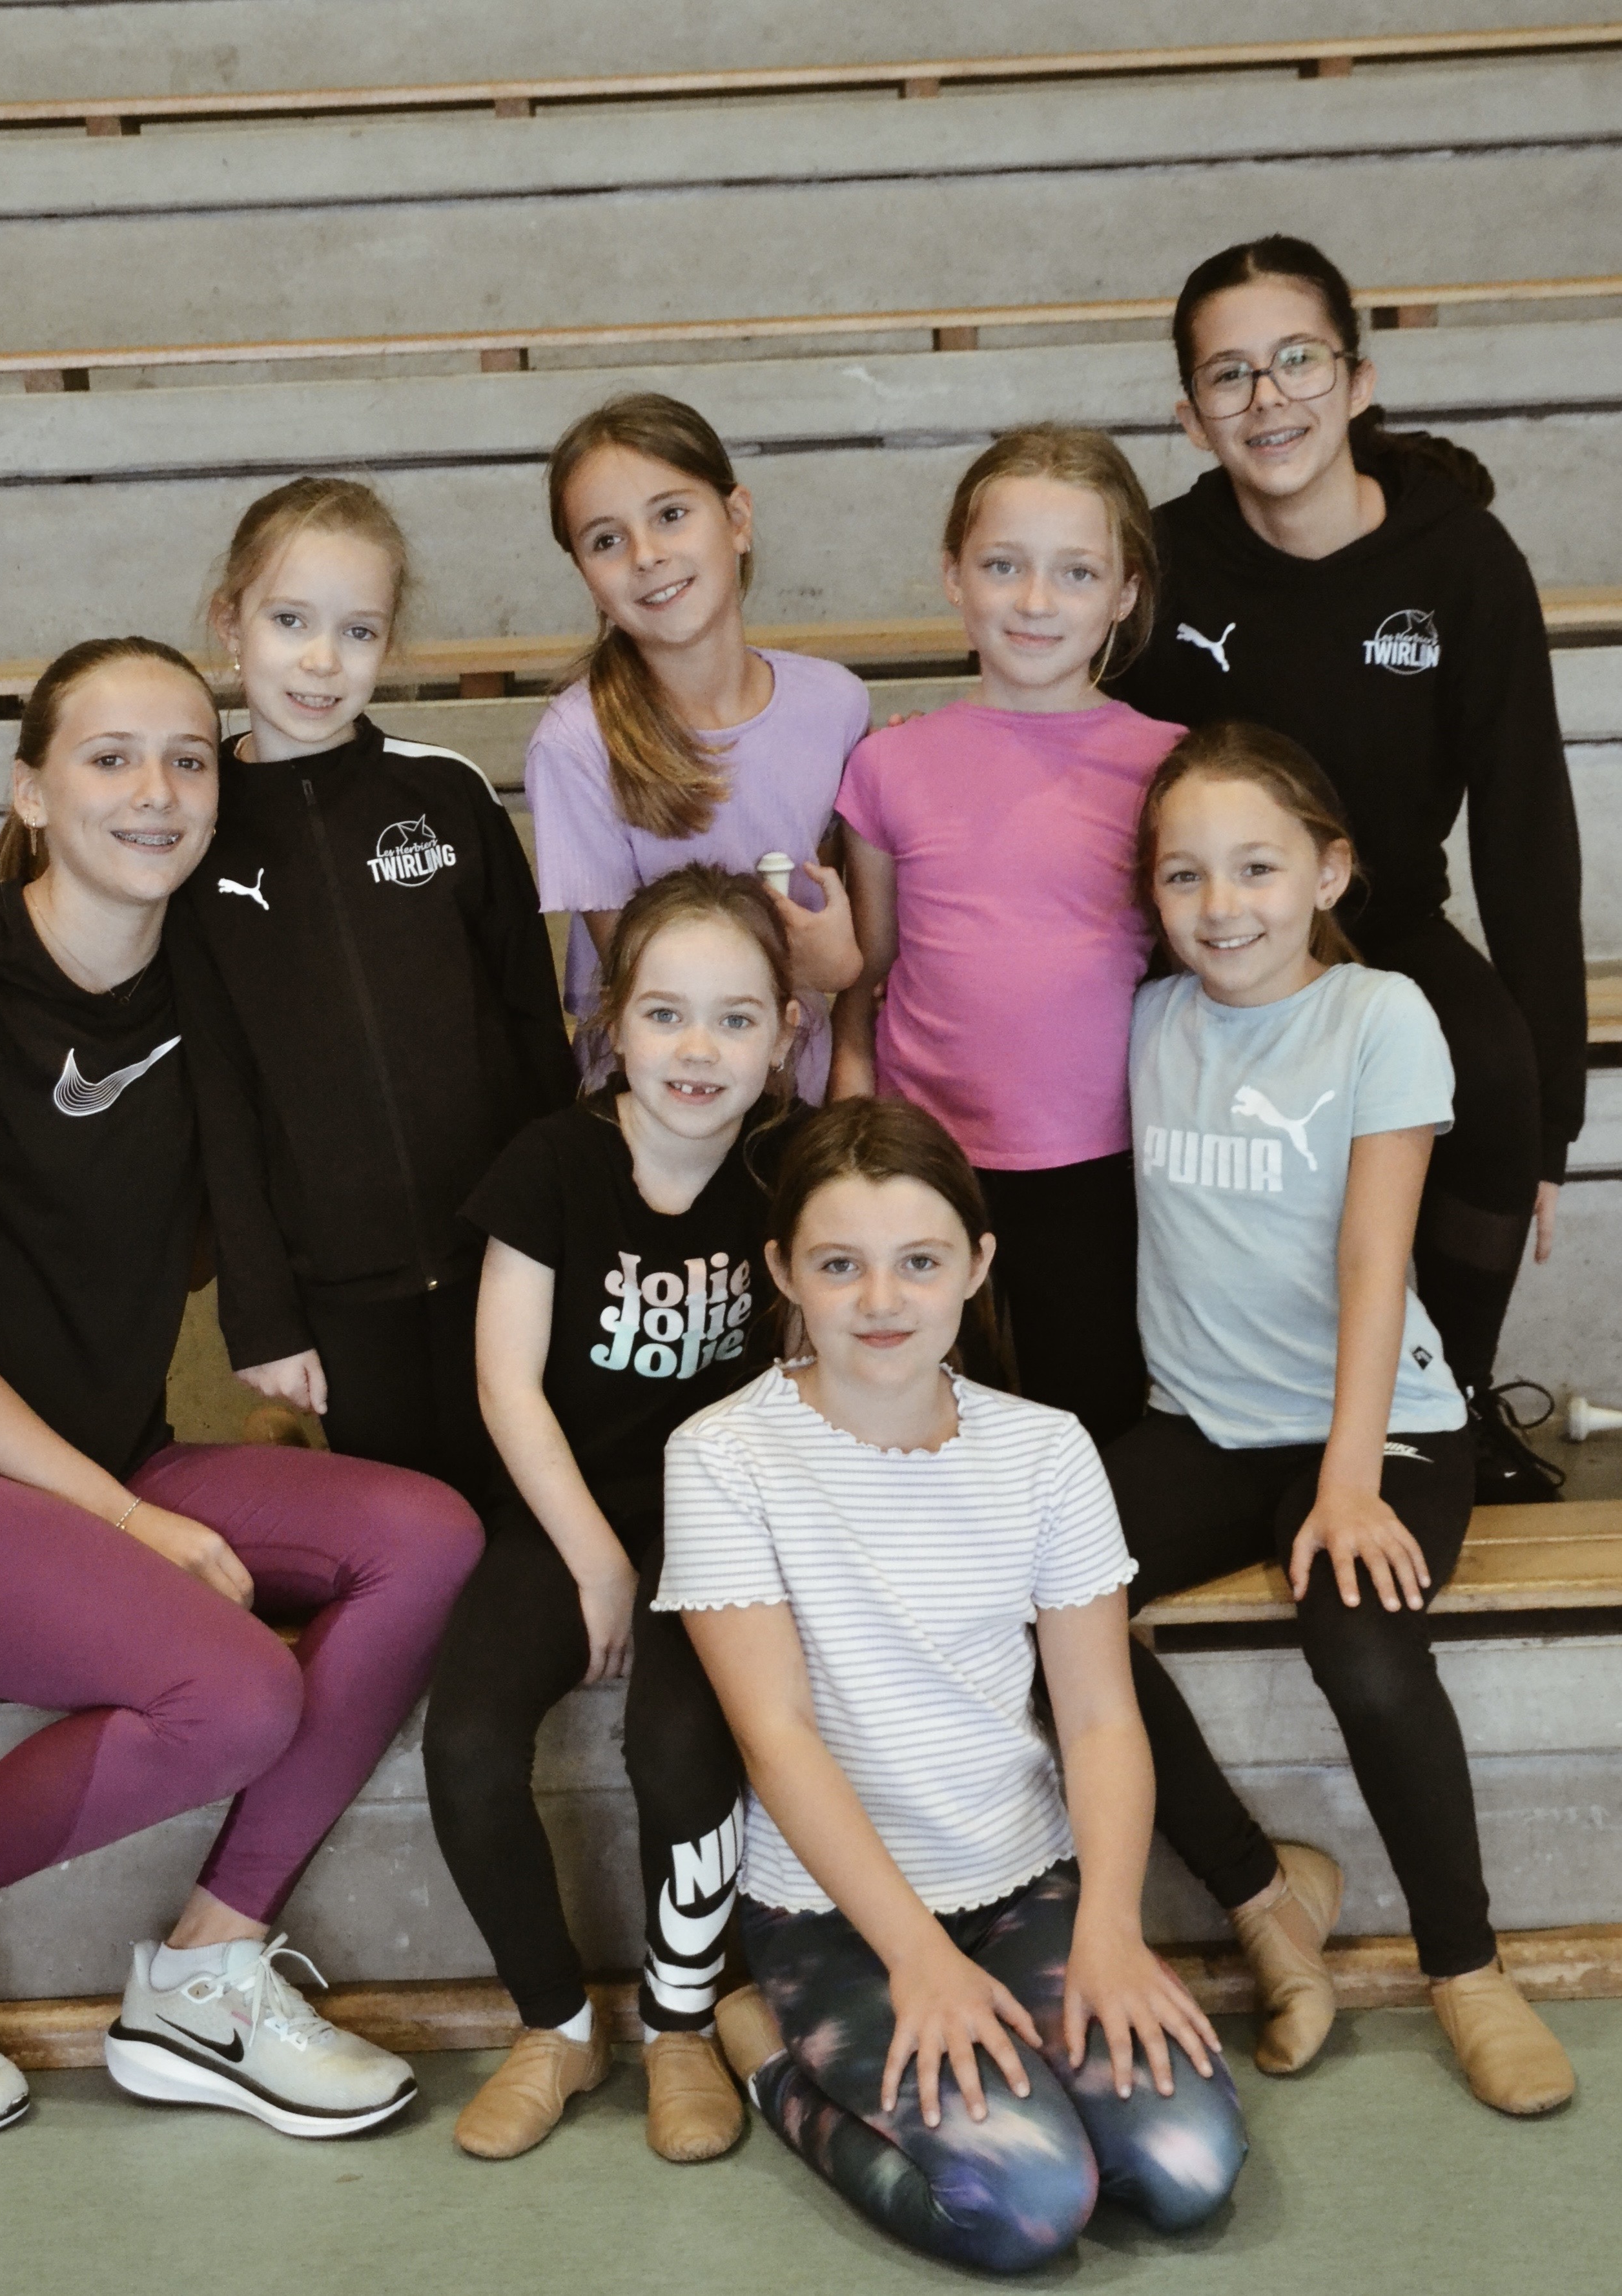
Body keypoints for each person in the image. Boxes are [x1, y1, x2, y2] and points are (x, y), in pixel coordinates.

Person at [0, 639, 484, 2142]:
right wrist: (129, 1521)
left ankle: (207, 1972)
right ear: (31, 790)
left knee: (428, 1531)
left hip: (112, 1451)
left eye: (187, 756)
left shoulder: (220, 984)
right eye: (109, 757)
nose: (156, 789)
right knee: (234, 1690)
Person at [657, 1096, 1244, 2273]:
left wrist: (1111, 1927)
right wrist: (919, 1957)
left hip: (1024, 1879)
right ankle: (766, 2053)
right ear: (783, 1271)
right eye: (840, 1264)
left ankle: (1027, 2038)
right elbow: (777, 1737)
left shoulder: (1045, 1447)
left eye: (919, 1262)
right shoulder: (722, 1454)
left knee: (1185, 2171)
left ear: (975, 1267)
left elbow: (1099, 1715)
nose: (881, 1300)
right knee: (1026, 2205)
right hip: (835, 1914)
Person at [1105, 721, 1575, 2118]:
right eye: (1183, 874)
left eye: (1256, 867)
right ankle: (1263, 1895)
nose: (1220, 904)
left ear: (1328, 872)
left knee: (1361, 1650)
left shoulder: (1379, 1016)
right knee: (1025, 1601)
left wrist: (1351, 1477)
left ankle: (1465, 1967)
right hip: (1203, 1425)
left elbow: (1375, 1260)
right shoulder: (1148, 1021)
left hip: (1386, 1425)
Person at [1111, 234, 1584, 1502]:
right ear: (1189, 412)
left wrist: (1554, 1112)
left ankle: (1450, 1404)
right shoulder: (1162, 563)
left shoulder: (1460, 560)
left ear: (1357, 380)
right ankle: (1148, 1399)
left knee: (1494, 1073)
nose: (1266, 398)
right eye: (1228, 374)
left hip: (1384, 917)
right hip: (1211, 928)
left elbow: (1526, 825)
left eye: (1297, 360)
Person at [423, 865, 802, 2164]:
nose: (698, 1051)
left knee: (680, 1744)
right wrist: (593, 1560)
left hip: (719, 1521)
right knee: (468, 1742)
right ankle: (552, 2024)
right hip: (562, 1505)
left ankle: (680, 2024)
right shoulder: (551, 1164)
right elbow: (505, 1383)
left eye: (735, 1019)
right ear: (610, 1023)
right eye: (665, 1014)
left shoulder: (792, 1167)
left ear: (784, 1036)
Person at [168, 475, 575, 1504]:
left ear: (389, 643)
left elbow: (534, 1030)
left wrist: (562, 1225)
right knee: (412, 1528)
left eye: (357, 631)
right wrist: (263, 1313)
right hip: (337, 1286)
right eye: (290, 621)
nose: (322, 660)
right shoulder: (196, 835)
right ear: (230, 621)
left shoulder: (445, 793)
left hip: (498, 1258)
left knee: (520, 1506)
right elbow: (219, 1099)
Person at [829, 427, 1181, 1446]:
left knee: (1087, 1413)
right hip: (927, 1157)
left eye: (1077, 572)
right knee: (929, 1421)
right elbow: (868, 970)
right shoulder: (890, 766)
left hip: (1103, 1157)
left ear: (1124, 593)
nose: (1035, 601)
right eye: (1002, 566)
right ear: (953, 575)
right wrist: (852, 1107)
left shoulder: (1168, 765)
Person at [528, 391, 868, 1097]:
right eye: (606, 540)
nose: (647, 555)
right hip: (659, 1108)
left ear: (737, 520)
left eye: (671, 515)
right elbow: (644, 980)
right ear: (586, 576)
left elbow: (838, 905)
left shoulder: (836, 703)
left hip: (798, 1090)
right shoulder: (575, 744)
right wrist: (817, 969)